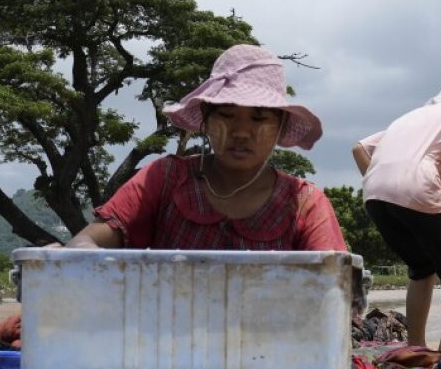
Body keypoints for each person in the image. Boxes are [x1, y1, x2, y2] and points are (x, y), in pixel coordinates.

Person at [66, 44, 347, 251]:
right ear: (207, 119)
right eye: (226, 115)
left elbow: (333, 282)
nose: (240, 132)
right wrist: (81, 252)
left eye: (259, 118)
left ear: (280, 126)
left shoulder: (305, 204)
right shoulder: (164, 179)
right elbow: (92, 237)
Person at [353, 80, 441, 350]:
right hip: (416, 186)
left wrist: (384, 183)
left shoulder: (413, 117)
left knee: (422, 266)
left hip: (373, 193)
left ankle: (415, 347)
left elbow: (359, 148)